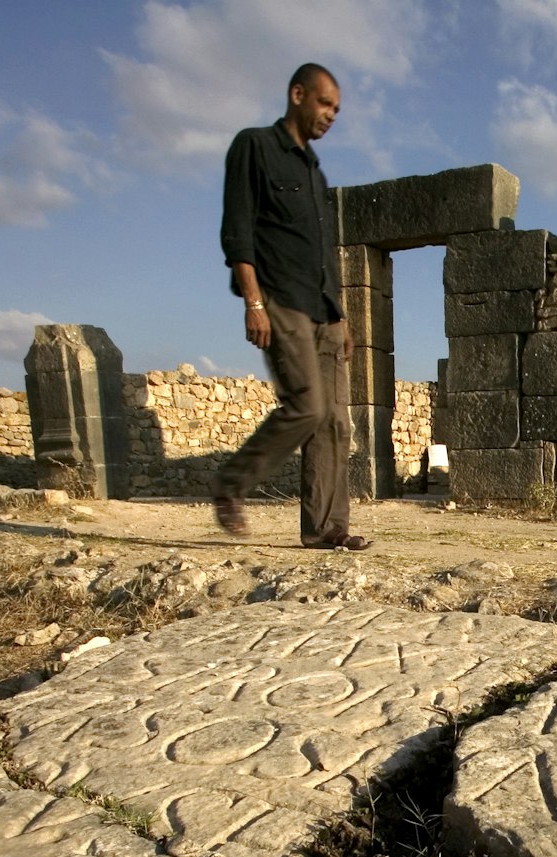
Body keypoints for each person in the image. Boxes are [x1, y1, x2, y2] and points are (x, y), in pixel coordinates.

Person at [212, 63, 369, 550]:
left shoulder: (314, 171)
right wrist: (253, 301)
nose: (331, 115)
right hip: (280, 300)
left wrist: (341, 316)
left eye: (337, 109)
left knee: (336, 421)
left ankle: (325, 529)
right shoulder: (254, 146)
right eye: (325, 103)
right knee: (306, 407)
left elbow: (322, 253)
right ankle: (230, 483)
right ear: (297, 94)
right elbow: (237, 230)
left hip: (322, 309)